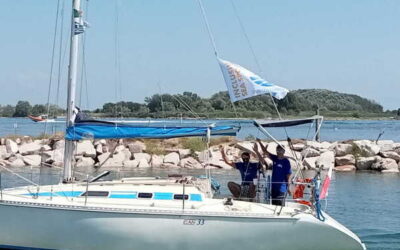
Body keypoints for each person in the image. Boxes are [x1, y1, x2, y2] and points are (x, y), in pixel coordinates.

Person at [256, 139, 292, 206]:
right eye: (278, 150)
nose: (279, 152)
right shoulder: (275, 158)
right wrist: (260, 142)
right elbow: (265, 151)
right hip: (273, 186)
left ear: (284, 151)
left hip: (282, 187)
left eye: (281, 150)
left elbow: (289, 175)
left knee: (280, 205)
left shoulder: (286, 161)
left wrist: (289, 187)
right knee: (273, 204)